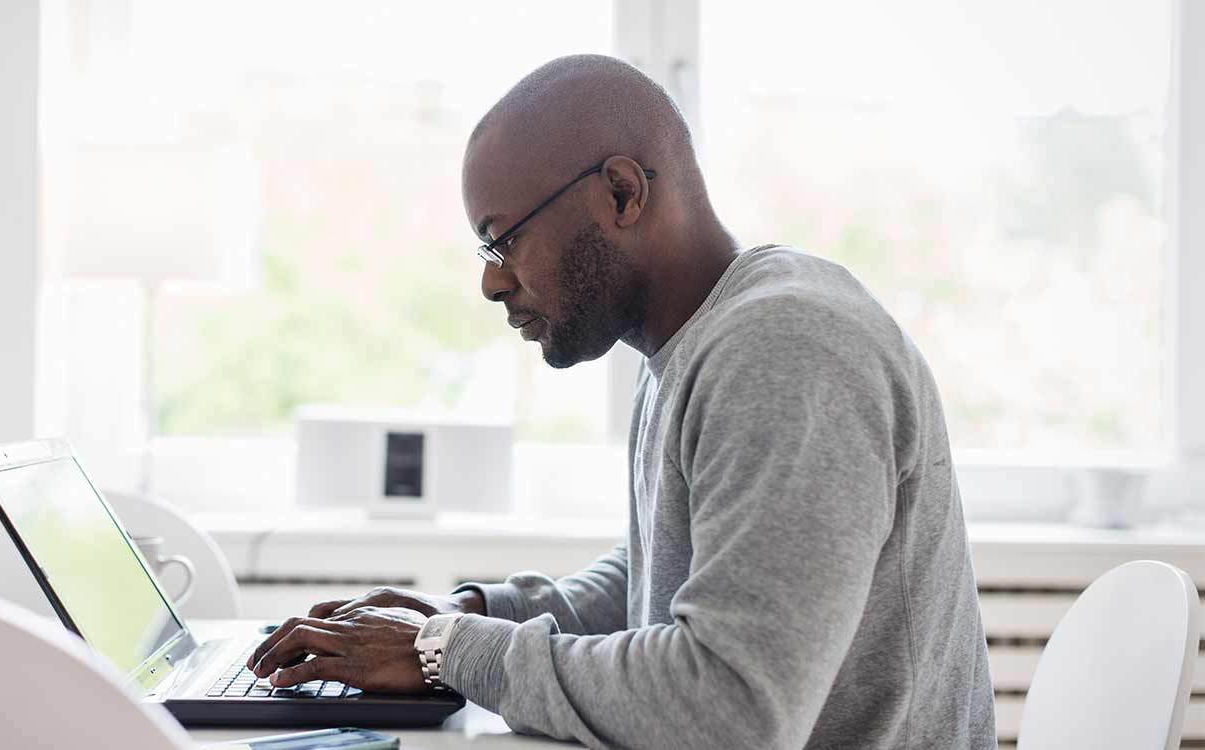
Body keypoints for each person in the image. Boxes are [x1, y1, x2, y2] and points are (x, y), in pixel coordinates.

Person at [248, 54, 997, 749]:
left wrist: (450, 653)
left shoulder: (786, 348)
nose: (491, 282)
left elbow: (733, 706)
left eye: (500, 239)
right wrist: (472, 615)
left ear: (621, 192)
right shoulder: (699, 341)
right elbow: (662, 575)